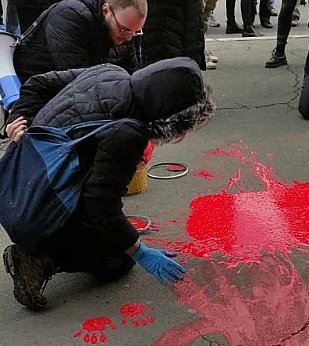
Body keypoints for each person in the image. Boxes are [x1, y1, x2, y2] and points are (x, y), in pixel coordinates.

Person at [3, 57, 215, 311]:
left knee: (112, 229)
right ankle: (39, 256)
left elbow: (38, 83)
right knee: (117, 262)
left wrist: (19, 116)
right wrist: (138, 250)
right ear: (169, 119)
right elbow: (101, 206)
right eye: (183, 129)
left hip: (16, 178)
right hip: (35, 208)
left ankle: (47, 244)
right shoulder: (126, 134)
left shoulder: (108, 71)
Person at [12, 0, 146, 83]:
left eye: (136, 32)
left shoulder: (125, 27)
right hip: (36, 88)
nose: (128, 37)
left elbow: (131, 76)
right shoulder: (69, 17)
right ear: (106, 10)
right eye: (124, 30)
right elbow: (79, 82)